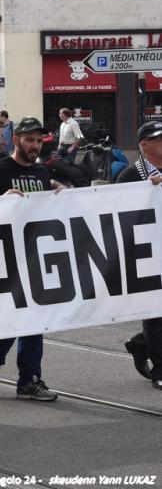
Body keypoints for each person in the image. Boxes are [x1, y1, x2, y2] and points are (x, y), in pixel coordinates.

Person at [0, 117, 59, 401]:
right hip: (4, 256)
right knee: (14, 315)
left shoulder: (41, 173)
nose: (35, 146)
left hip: (35, 254)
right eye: (30, 140)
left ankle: (29, 379)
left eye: (38, 141)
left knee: (34, 317)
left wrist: (61, 198)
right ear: (16, 139)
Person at [117, 120, 162, 390]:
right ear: (144, 146)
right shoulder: (130, 176)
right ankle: (160, 367)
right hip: (146, 254)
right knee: (156, 312)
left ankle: (141, 343)